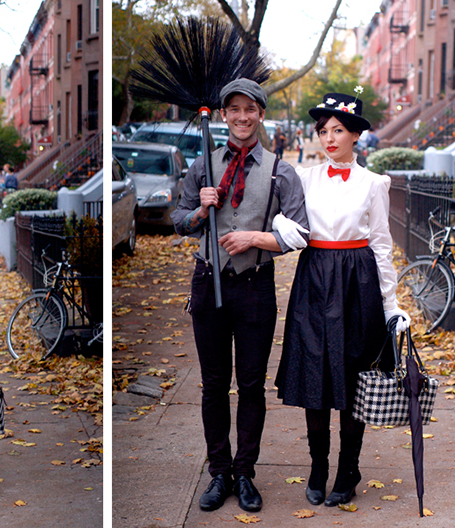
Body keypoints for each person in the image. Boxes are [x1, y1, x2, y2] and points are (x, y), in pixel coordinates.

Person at [171, 78, 309, 514]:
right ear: (224, 114)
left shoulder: (280, 170)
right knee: (213, 385)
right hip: (207, 280)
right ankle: (218, 472)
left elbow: (300, 234)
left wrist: (255, 236)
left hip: (255, 287)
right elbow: (177, 219)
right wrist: (199, 209)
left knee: (250, 385)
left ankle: (245, 472)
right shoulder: (204, 166)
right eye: (234, 109)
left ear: (261, 114)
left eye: (251, 109)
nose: (243, 117)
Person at [274, 92, 411, 508]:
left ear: (355, 135)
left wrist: (391, 307)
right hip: (315, 279)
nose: (328, 138)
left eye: (338, 130)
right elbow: (284, 223)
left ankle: (348, 471)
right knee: (315, 375)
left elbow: (382, 245)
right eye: (323, 131)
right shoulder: (302, 177)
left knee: (354, 378)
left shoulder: (374, 183)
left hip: (358, 284)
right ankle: (317, 468)